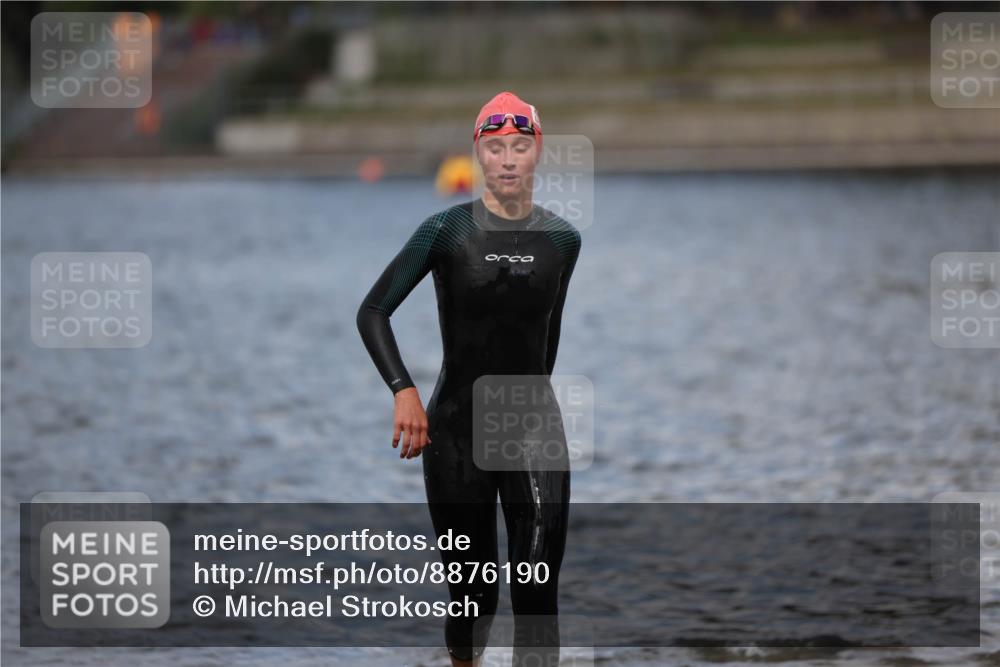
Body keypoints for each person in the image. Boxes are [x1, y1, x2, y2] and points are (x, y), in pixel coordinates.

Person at [357, 91, 581, 667]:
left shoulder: (563, 241)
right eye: (495, 147)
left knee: (536, 597)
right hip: (455, 432)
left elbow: (546, 339)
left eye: (520, 147)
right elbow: (373, 311)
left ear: (538, 153)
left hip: (533, 428)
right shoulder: (445, 231)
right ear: (478, 154)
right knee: (473, 596)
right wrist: (403, 391)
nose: (508, 159)